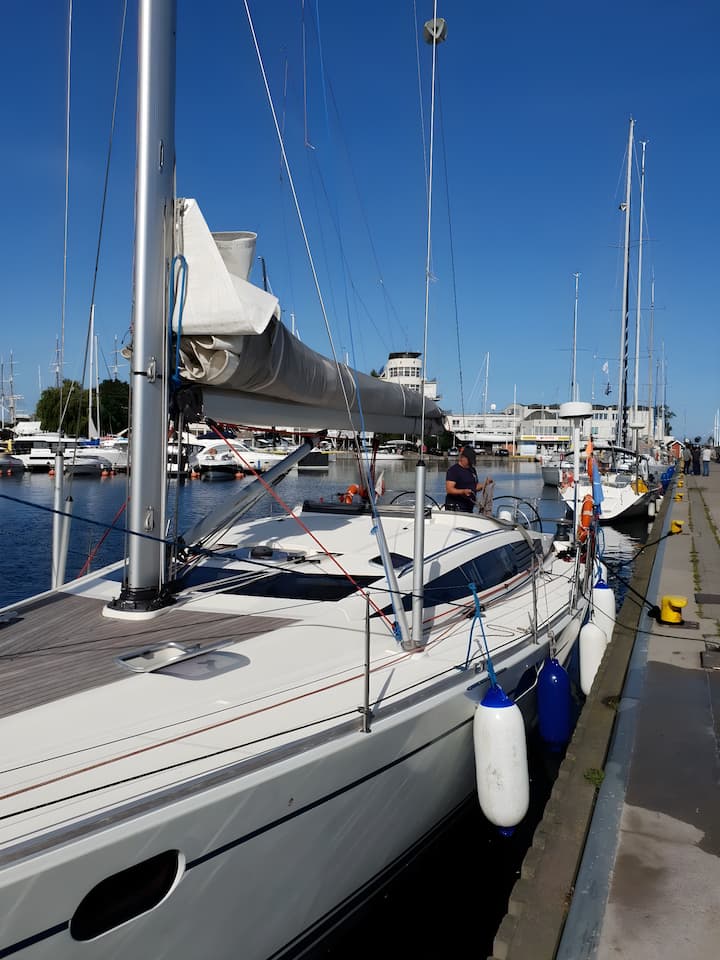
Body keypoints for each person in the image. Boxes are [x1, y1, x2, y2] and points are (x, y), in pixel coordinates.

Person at [444, 446, 493, 513]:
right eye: (469, 460)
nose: (471, 463)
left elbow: (474, 487)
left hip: (469, 508)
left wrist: (485, 484)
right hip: (456, 508)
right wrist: (463, 491)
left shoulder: (472, 470)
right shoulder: (453, 470)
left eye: (472, 461)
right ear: (463, 457)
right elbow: (449, 489)